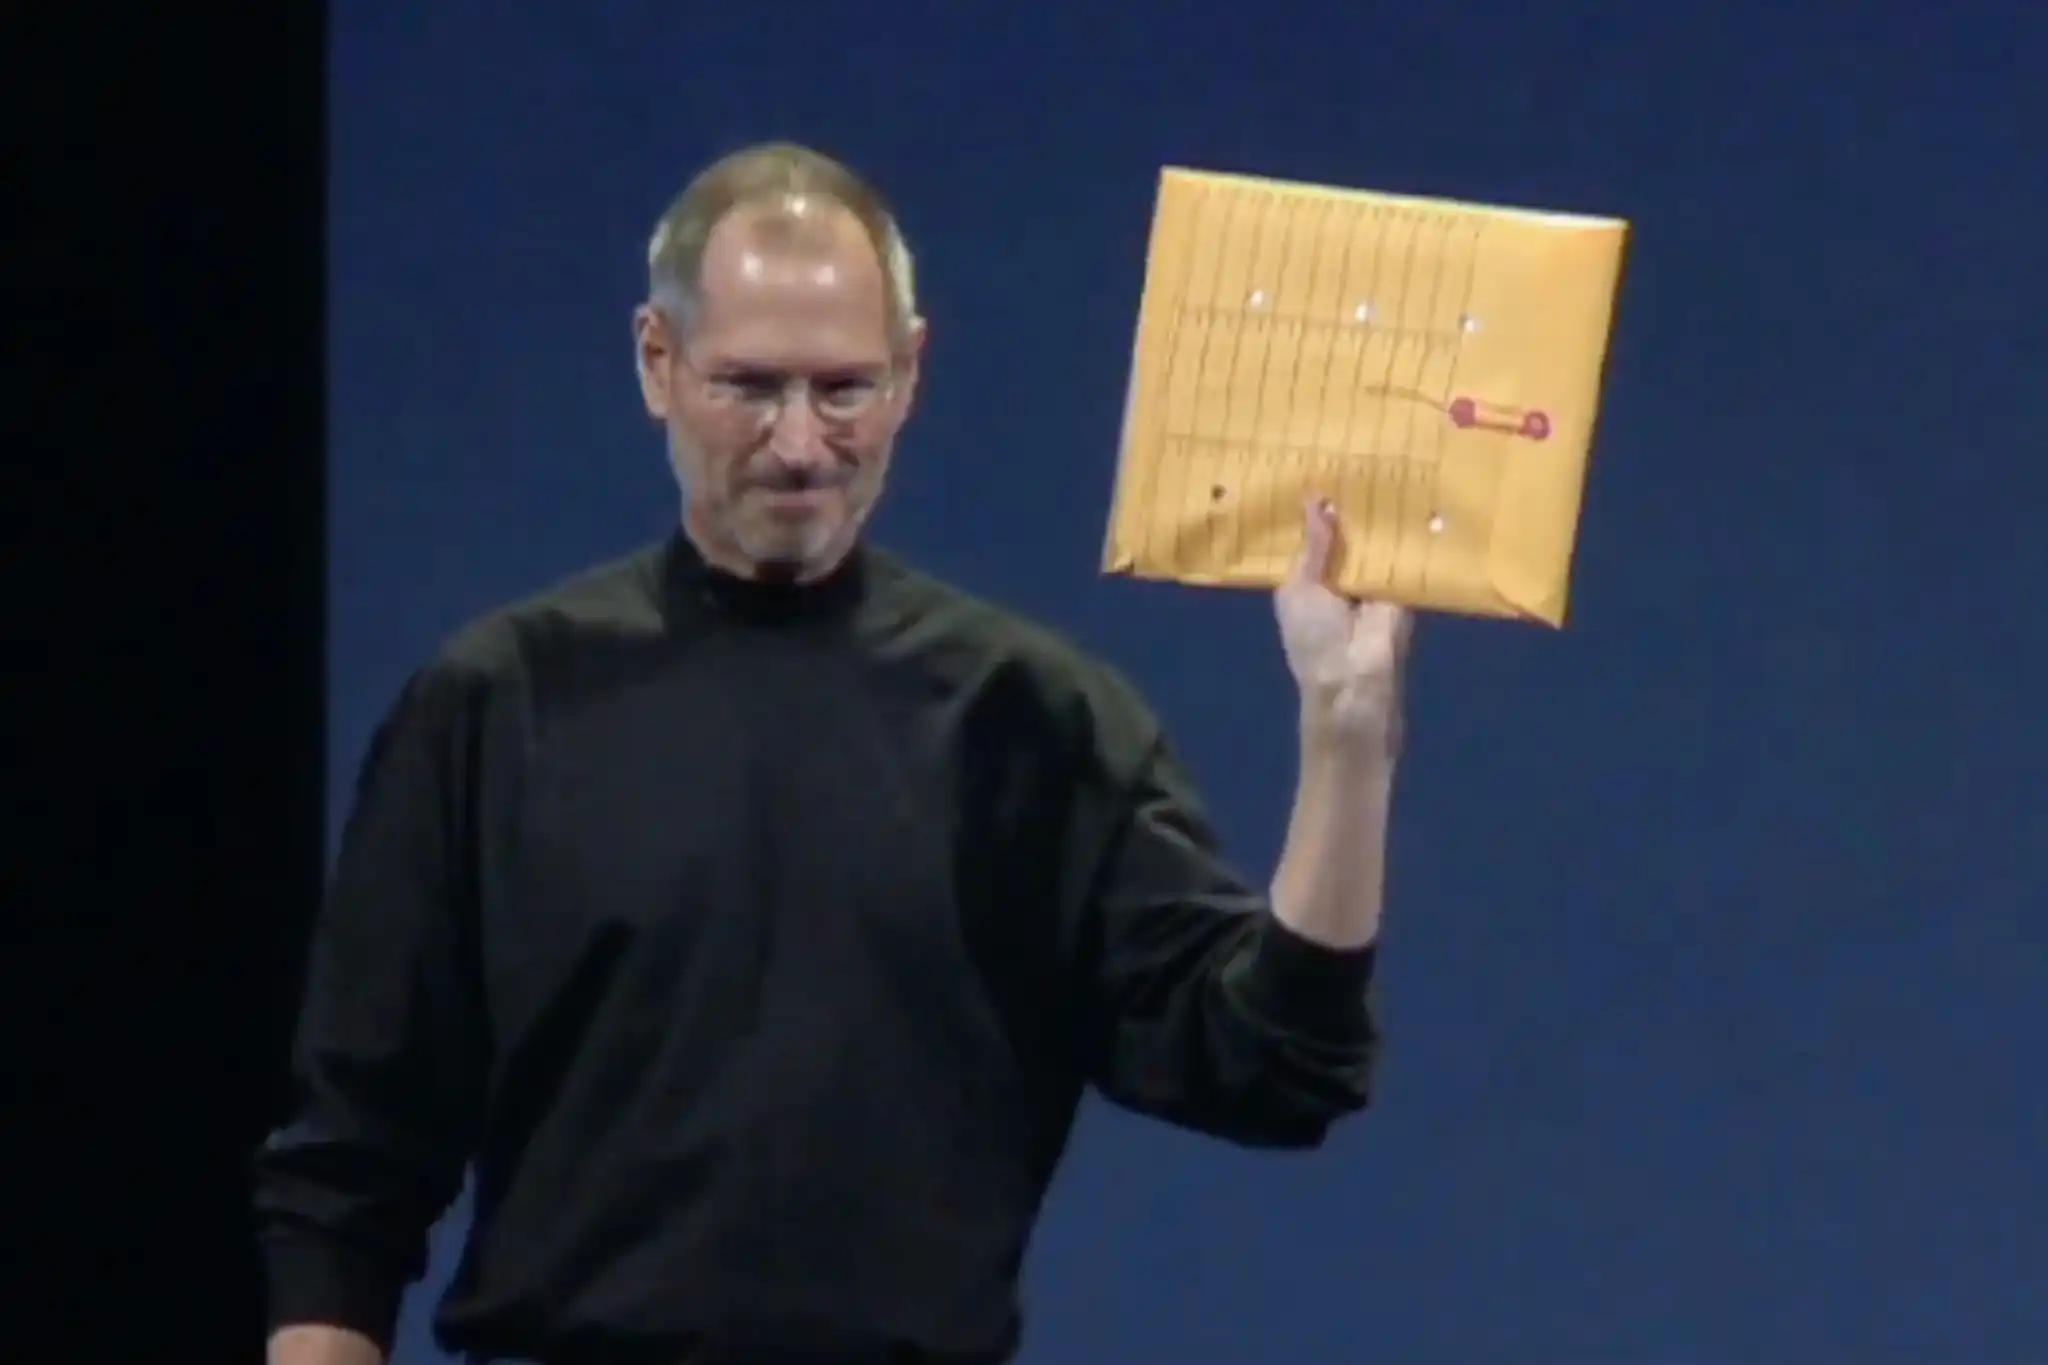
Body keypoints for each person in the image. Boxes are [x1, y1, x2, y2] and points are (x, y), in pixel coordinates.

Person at [256, 142, 1413, 1365]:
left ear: (911, 372)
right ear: (657, 361)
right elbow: (349, 1173)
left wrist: (1346, 743)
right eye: (751, 387)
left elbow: (1274, 1065)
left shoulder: (1032, 720)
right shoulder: (495, 708)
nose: (801, 445)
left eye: (844, 389)